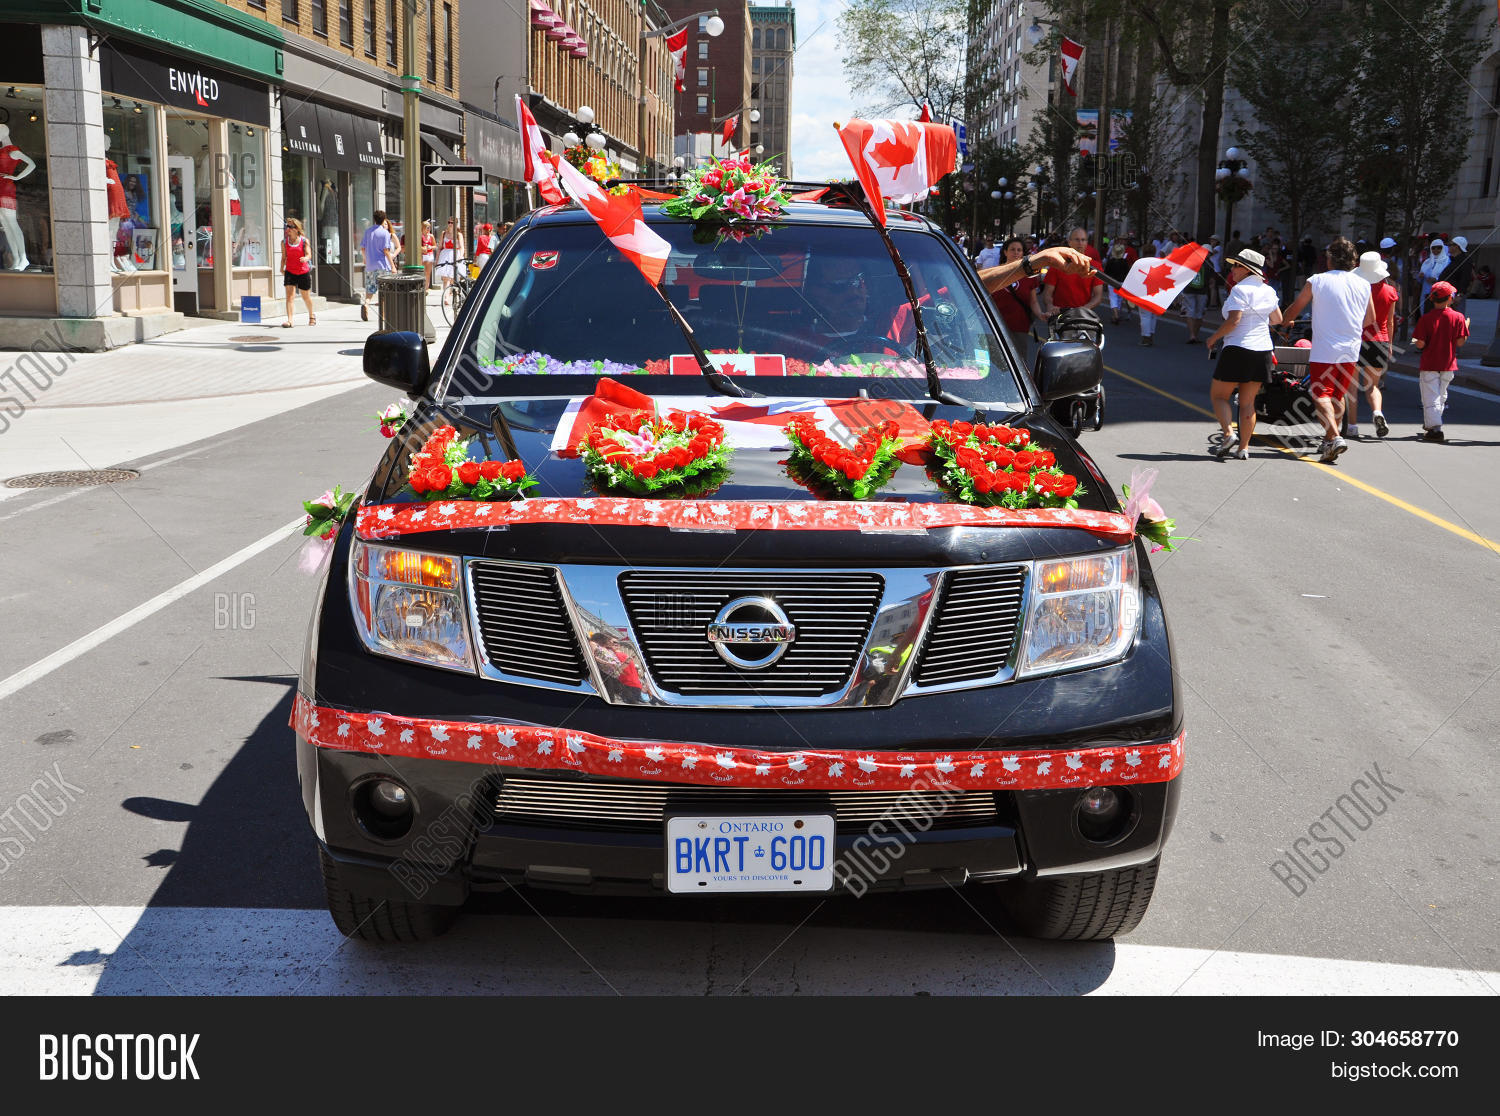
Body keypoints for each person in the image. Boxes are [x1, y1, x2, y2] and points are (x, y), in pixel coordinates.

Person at [1279, 236, 1375, 463]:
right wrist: (1348, 326)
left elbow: (1296, 307)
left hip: (1326, 349)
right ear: (1353, 261)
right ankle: (1330, 440)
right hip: (1351, 349)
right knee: (1337, 396)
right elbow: (1370, 318)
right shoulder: (1363, 284)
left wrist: (1285, 320)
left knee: (1320, 393)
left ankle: (1334, 436)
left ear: (1330, 259)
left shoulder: (1318, 280)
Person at [1202, 249, 1282, 458]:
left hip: (1238, 348)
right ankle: (1243, 448)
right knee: (1248, 402)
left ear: (1246, 269)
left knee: (1219, 395)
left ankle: (1229, 434)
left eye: (1236, 265)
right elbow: (1277, 319)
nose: (1232, 269)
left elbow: (1234, 321)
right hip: (1262, 350)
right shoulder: (1268, 290)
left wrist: (1213, 338)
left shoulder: (1239, 290)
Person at [1346, 251, 1399, 440]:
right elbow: (1391, 322)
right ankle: (1377, 413)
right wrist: (1390, 344)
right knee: (1372, 386)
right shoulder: (1390, 291)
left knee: (1351, 386)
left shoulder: (1357, 289)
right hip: (1381, 340)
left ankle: (1352, 426)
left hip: (1357, 340)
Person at [1410, 281, 1469, 442]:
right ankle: (1433, 423)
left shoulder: (1425, 319)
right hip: (1448, 363)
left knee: (1431, 397)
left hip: (1430, 363)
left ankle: (1435, 427)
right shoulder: (1458, 317)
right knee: (1441, 395)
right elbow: (1460, 342)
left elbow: (1420, 343)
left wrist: (1415, 340)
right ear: (1450, 298)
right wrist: (1465, 327)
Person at [987, 236, 1047, 361]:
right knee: (996, 361)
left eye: (1019, 250)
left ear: (1023, 253)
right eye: (1012, 249)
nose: (1016, 252)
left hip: (1020, 326)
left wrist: (1040, 314)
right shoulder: (994, 273)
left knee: (1019, 361)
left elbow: (1033, 301)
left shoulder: (1029, 277)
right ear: (1005, 252)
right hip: (996, 326)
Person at [1039, 227, 1104, 315]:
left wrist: (1085, 308)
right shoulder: (1057, 264)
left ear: (1087, 243)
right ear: (1069, 242)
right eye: (1077, 239)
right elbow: (1047, 293)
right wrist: (1050, 306)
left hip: (1083, 316)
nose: (1080, 243)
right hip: (1060, 314)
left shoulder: (1095, 266)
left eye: (1083, 240)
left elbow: (1098, 296)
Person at [358, 208, 396, 322]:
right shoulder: (385, 233)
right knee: (384, 291)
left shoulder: (368, 232)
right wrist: (393, 266)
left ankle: (366, 304)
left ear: (374, 219)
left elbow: (363, 248)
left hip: (370, 265)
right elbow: (386, 251)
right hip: (382, 266)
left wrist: (365, 259)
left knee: (370, 289)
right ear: (383, 219)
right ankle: (383, 315)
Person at [279, 216, 315, 328]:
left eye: (290, 226)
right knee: (290, 297)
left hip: (303, 271)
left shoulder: (304, 241)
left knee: (306, 297)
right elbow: (284, 257)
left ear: (297, 229)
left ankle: (311, 315)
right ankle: (290, 321)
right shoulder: (284, 242)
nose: (287, 228)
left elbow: (309, 254)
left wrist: (306, 258)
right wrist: (281, 268)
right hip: (290, 271)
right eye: (287, 226)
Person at [1180, 255, 1214, 343]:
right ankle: (1196, 334)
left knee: (1190, 312)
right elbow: (1211, 281)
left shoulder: (1190, 262)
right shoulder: (1209, 264)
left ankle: (1192, 335)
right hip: (1202, 291)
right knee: (1199, 314)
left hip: (1189, 290)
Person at [1439, 235, 1471, 317]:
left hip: (1455, 295)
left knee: (1456, 318)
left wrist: (1460, 295)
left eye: (1450, 244)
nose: (1448, 246)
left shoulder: (1464, 261)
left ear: (1457, 246)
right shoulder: (1452, 260)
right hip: (1447, 294)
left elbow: (1465, 279)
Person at [1103, 240, 1133, 324]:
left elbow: (1106, 273)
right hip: (1122, 282)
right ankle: (1117, 314)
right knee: (1119, 299)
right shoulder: (1124, 262)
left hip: (1112, 282)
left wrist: (1105, 282)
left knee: (1113, 298)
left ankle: (1115, 315)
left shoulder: (1111, 262)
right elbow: (1127, 272)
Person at [434, 216, 463, 297]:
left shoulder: (458, 234)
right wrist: (436, 259)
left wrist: (460, 256)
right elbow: (439, 247)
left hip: (455, 256)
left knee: (453, 278)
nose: (450, 224)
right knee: (445, 278)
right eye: (449, 222)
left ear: (456, 224)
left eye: (452, 223)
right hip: (445, 256)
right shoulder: (443, 233)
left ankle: (451, 292)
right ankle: (445, 296)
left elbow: (462, 247)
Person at [1419, 237, 1449, 313]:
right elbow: (1420, 278)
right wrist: (1421, 275)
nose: (1436, 250)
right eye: (1433, 248)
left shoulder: (1446, 261)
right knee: (1426, 312)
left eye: (1439, 248)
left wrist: (1436, 279)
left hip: (1440, 293)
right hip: (1426, 292)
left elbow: (1448, 276)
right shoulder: (1427, 262)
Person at [420, 219, 436, 289]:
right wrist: (422, 248)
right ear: (423, 228)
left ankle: (426, 288)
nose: (429, 229)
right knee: (421, 272)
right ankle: (421, 287)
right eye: (427, 228)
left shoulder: (431, 236)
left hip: (429, 255)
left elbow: (435, 246)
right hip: (422, 255)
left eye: (429, 228)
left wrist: (430, 247)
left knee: (428, 273)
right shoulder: (420, 235)